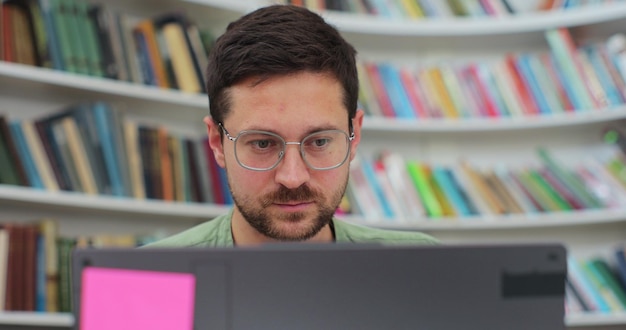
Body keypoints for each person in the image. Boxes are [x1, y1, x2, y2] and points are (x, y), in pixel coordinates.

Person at [147, 4, 438, 247]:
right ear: (216, 142)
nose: (293, 178)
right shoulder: (148, 280)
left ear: (354, 136)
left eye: (320, 141)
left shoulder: (425, 266)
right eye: (262, 143)